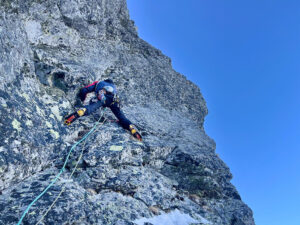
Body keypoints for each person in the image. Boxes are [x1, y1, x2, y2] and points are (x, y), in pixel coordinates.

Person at [64, 79, 142, 141]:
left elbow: (84, 90)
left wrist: (81, 100)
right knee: (121, 117)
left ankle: (82, 111)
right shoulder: (114, 88)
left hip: (102, 100)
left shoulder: (99, 83)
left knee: (92, 107)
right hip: (114, 101)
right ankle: (131, 126)